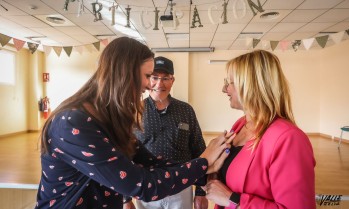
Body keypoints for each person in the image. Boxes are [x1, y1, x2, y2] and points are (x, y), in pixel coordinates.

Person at [34, 37, 233, 209]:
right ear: (123, 73)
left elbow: (151, 162)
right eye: (148, 76)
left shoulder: (108, 119)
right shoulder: (73, 122)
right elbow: (141, 185)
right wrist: (204, 162)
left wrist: (204, 168)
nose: (149, 85)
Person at [204, 50, 316, 209]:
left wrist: (233, 200)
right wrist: (213, 175)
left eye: (229, 82)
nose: (224, 89)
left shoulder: (289, 139)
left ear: (251, 85)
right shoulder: (240, 124)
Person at [124, 56, 208, 209]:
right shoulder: (135, 111)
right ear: (148, 79)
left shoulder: (186, 110)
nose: (159, 84)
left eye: (165, 78)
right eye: (154, 77)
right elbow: (125, 154)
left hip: (181, 187)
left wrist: (201, 192)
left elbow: (199, 150)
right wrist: (126, 199)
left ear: (172, 80)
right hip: (147, 187)